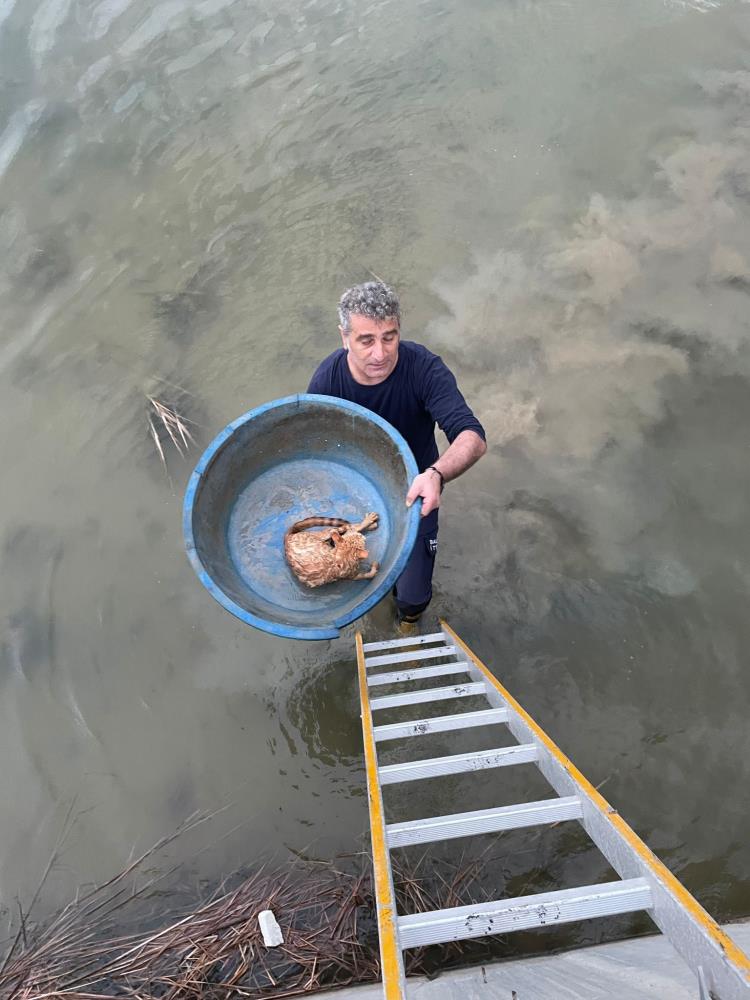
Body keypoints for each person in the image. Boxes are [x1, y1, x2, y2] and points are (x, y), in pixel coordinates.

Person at [307, 281, 486, 627]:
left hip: (416, 491)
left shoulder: (423, 369)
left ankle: (407, 625)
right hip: (357, 492)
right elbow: (315, 450)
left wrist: (436, 474)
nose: (380, 353)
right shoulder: (327, 383)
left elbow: (472, 436)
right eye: (366, 340)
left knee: (413, 594)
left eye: (389, 337)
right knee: (358, 573)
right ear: (344, 338)